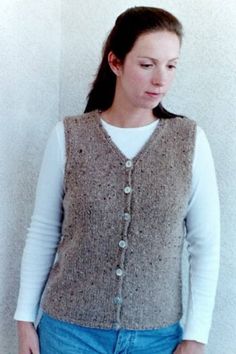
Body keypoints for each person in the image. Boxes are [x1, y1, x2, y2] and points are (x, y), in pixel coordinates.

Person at [14, 6, 220, 354]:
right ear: (115, 63)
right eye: (147, 64)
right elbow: (44, 231)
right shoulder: (69, 137)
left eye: (171, 65)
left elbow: (205, 245)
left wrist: (196, 337)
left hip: (156, 338)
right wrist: (23, 321)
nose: (161, 79)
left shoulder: (189, 141)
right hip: (68, 334)